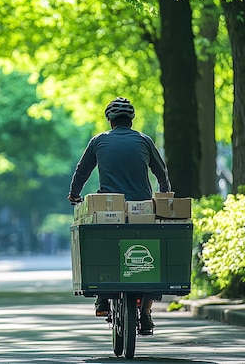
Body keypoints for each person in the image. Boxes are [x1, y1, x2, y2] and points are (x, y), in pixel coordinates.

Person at [67, 97, 171, 335]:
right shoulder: (144, 140)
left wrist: (74, 194)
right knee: (150, 254)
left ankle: (103, 297)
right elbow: (161, 171)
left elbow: (82, 171)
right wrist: (164, 196)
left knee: (103, 245)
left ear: (110, 120)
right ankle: (145, 314)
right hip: (142, 209)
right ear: (131, 120)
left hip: (108, 208)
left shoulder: (98, 141)